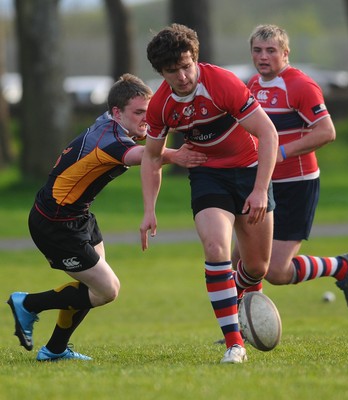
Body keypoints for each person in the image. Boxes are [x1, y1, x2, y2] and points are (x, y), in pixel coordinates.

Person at [7, 73, 207, 362]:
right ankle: (27, 303)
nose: (145, 120)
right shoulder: (109, 140)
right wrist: (180, 154)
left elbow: (150, 152)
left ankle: (54, 349)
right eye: (138, 113)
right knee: (107, 290)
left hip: (78, 214)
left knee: (93, 287)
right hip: (55, 223)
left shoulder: (112, 126)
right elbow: (148, 155)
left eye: (148, 113)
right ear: (116, 112)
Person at [139, 23, 278, 364]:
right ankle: (235, 344)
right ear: (162, 72)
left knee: (257, 267)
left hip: (248, 173)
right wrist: (149, 209)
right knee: (216, 247)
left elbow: (268, 133)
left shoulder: (222, 83)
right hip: (208, 177)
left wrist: (260, 190)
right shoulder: (160, 104)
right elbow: (152, 157)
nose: (182, 76)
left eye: (186, 66)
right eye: (172, 71)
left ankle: (234, 296)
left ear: (195, 60)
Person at [231, 24, 348, 308]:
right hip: (261, 184)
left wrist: (280, 152)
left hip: (296, 186)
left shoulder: (300, 85)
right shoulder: (251, 85)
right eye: (257, 50)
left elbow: (326, 131)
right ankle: (241, 328)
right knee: (241, 261)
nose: (263, 57)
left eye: (271, 51)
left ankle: (341, 266)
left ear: (285, 53)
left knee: (276, 272)